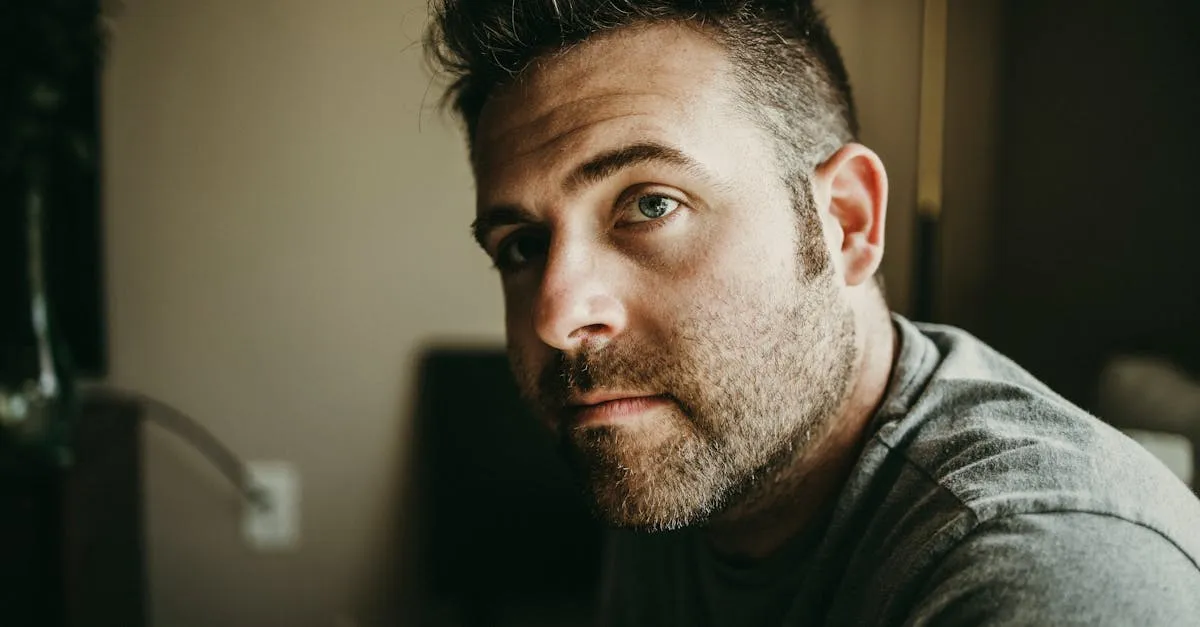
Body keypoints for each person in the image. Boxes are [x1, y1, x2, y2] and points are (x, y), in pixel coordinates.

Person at [423, 1, 1200, 624]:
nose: (558, 316)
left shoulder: (1052, 571)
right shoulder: (683, 447)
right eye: (522, 245)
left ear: (848, 221)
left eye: (650, 203)